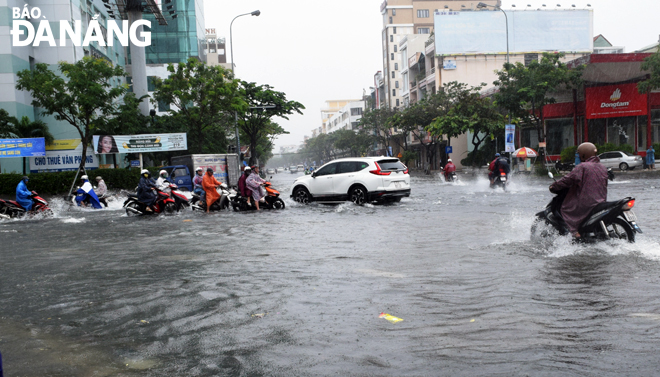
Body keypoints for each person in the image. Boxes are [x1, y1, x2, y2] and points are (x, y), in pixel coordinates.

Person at [549, 142, 608, 238]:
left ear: (583, 154)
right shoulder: (602, 167)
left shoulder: (582, 167)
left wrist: (554, 186)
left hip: (586, 202)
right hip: (601, 200)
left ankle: (574, 232)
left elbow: (568, 180)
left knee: (565, 210)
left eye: (579, 154)